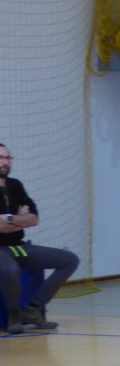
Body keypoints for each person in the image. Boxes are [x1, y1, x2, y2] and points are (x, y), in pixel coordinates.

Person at [0, 143, 79, 334]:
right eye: (1, 158)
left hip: (19, 245)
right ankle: (14, 316)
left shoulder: (15, 185)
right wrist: (20, 219)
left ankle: (33, 308)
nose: (5, 162)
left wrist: (9, 218)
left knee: (69, 260)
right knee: (11, 269)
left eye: (8, 158)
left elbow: (34, 219)